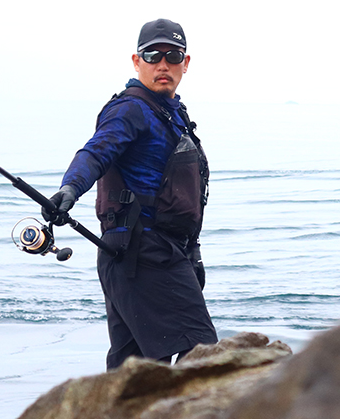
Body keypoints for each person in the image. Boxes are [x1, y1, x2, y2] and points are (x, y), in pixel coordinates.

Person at [43, 18, 217, 369]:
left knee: (131, 373)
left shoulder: (174, 113)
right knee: (203, 355)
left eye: (173, 55)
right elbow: (96, 152)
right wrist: (70, 188)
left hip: (145, 256)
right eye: (153, 55)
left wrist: (192, 255)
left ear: (186, 63)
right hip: (143, 254)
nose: (163, 64)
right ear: (137, 62)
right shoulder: (130, 109)